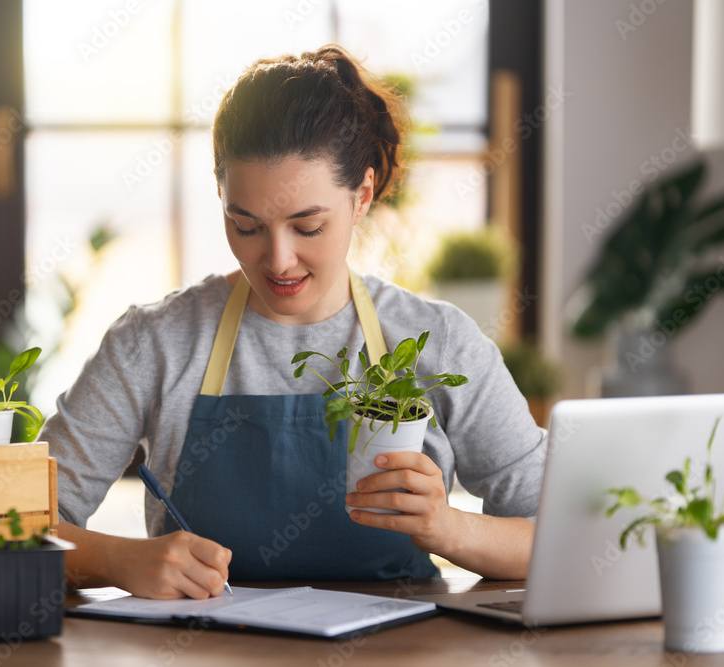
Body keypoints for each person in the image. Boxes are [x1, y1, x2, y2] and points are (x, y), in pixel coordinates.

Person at [41, 45, 546, 600]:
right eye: (246, 225)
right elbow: (18, 522)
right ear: (221, 197)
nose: (277, 259)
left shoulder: (438, 342)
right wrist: (116, 559)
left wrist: (448, 527)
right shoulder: (155, 342)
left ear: (362, 197)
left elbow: (555, 532)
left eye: (307, 227)